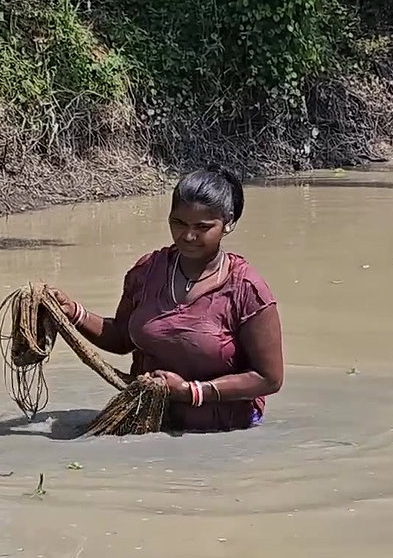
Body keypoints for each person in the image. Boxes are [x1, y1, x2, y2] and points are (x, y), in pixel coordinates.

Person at [50, 166, 284, 432]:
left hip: (223, 431)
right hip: (148, 420)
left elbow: (269, 378)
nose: (188, 236)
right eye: (179, 223)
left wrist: (190, 391)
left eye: (202, 227)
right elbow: (121, 338)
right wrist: (72, 312)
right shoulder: (147, 272)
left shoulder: (247, 289)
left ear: (228, 223)